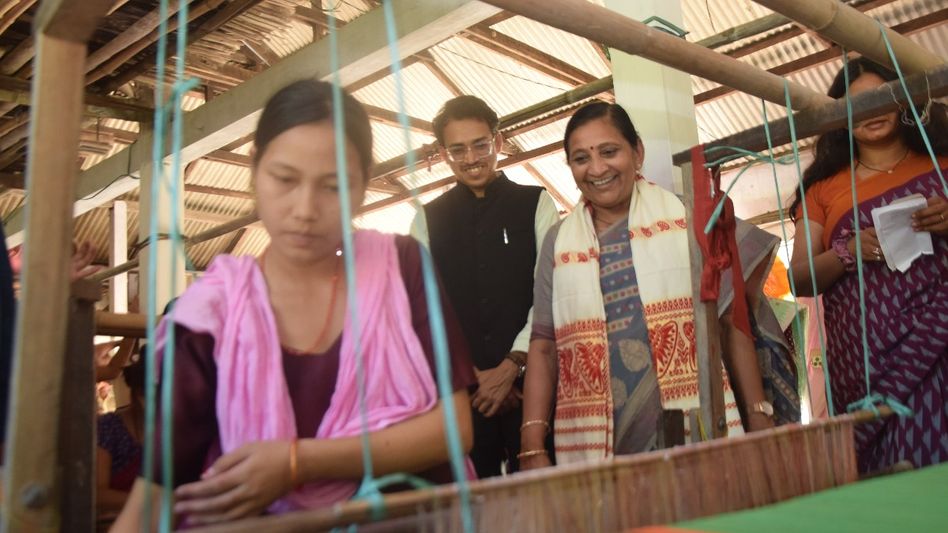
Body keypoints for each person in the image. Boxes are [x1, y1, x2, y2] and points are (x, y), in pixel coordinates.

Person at [111, 79, 475, 530]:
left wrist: (296, 463)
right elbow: (152, 502)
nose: (305, 208)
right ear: (254, 171)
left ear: (363, 187)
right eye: (284, 179)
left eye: (333, 186)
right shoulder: (212, 317)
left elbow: (454, 429)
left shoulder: (399, 268)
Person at [519, 101, 796, 469]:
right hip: (596, 441)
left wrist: (759, 415)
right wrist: (532, 443)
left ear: (637, 153)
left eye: (609, 151)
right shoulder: (559, 242)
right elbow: (543, 346)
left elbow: (732, 322)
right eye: (581, 158)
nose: (597, 168)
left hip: (693, 423)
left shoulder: (688, 219)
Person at [788, 57, 948, 473]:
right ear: (841, 117)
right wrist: (848, 251)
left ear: (904, 101)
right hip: (866, 359)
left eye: (881, 98)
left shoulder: (941, 161)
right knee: (896, 474)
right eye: (856, 105)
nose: (871, 112)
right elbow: (799, 278)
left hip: (939, 339)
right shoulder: (823, 188)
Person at [410, 95, 560, 477]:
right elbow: (424, 308)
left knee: (545, 495)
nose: (472, 158)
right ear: (444, 153)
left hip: (534, 387)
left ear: (499, 140)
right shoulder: (427, 219)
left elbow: (551, 290)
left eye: (480, 144)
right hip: (465, 396)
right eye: (457, 149)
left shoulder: (536, 203)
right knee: (477, 504)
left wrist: (513, 365)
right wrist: (476, 377)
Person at [97, 353, 146, 519]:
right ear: (140, 396)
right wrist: (154, 503)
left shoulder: (181, 428)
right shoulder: (109, 428)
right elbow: (98, 494)